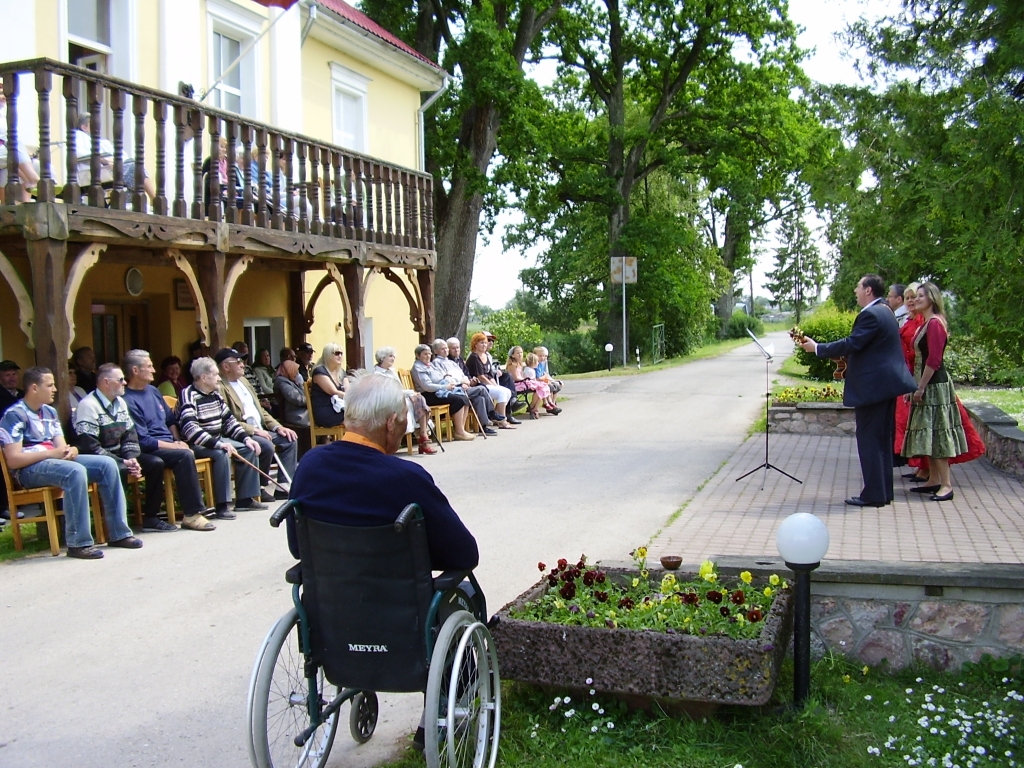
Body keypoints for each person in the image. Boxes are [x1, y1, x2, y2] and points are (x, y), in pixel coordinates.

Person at [289, 372, 478, 567]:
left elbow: (298, 546)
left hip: (326, 594)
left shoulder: (309, 465)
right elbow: (464, 554)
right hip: (400, 595)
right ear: (390, 423)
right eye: (405, 418)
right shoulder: (406, 477)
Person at [800, 274, 917, 507]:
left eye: (858, 287)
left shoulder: (871, 314)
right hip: (886, 386)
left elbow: (853, 343)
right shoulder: (886, 311)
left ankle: (873, 495)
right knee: (882, 441)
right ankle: (883, 493)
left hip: (873, 388)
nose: (855, 290)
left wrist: (817, 348)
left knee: (870, 441)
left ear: (868, 290)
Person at [0, 366, 141, 559]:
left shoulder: (49, 412)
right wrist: (52, 454)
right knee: (74, 472)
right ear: (34, 388)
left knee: (106, 465)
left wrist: (71, 449)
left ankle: (119, 533)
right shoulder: (14, 415)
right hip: (28, 470)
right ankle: (78, 542)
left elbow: (61, 447)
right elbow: (14, 459)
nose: (55, 389)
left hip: (56, 463)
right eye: (50, 385)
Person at [122, 349, 215, 532]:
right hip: (148, 448)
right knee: (183, 456)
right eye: (149, 366)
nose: (154, 370)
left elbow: (170, 420)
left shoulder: (154, 391)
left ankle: (196, 509)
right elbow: (143, 440)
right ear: (135, 370)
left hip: (167, 444)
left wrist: (178, 439)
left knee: (185, 451)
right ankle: (192, 514)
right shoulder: (127, 399)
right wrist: (175, 446)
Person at [901, 283, 971, 502]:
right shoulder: (927, 322)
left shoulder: (934, 324)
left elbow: (934, 360)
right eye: (916, 295)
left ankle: (946, 484)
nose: (917, 298)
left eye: (921, 295)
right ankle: (933, 480)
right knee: (929, 432)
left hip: (935, 386)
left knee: (938, 432)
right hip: (926, 382)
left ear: (932, 298)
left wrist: (920, 387)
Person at [177, 356, 263, 516]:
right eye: (215, 374)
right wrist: (218, 444)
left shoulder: (215, 395)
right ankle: (222, 505)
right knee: (222, 453)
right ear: (203, 377)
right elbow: (190, 430)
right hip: (198, 444)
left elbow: (229, 422)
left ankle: (245, 499)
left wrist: (246, 438)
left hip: (218, 438)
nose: (218, 378)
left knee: (248, 449)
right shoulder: (187, 395)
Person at [216, 348, 298, 502]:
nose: (243, 364)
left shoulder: (244, 382)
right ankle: (260, 487)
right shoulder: (221, 387)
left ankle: (283, 487)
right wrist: (253, 430)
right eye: (238, 361)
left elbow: (260, 411)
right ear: (226, 367)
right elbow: (226, 420)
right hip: (240, 432)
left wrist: (277, 426)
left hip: (260, 429)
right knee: (266, 445)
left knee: (289, 438)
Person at [373, 346, 436, 454]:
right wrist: (409, 393)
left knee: (419, 399)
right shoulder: (377, 374)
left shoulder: (392, 371)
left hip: (400, 397)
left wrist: (409, 393)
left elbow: (399, 389)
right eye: (390, 356)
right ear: (382, 358)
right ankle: (423, 438)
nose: (393, 359)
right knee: (417, 401)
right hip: (388, 401)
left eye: (393, 356)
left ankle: (423, 436)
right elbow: (388, 392)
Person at [430, 339, 498, 435]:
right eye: (442, 349)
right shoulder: (436, 363)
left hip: (463, 386)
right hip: (453, 389)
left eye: (446, 348)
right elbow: (445, 379)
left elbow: (463, 375)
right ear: (436, 351)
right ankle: (491, 413)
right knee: (482, 389)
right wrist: (461, 382)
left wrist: (466, 381)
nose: (445, 351)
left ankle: (483, 426)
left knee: (480, 398)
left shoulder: (452, 362)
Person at [410, 344, 476, 441]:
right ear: (417, 355)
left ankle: (460, 430)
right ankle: (459, 431)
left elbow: (439, 376)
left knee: (464, 398)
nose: (428, 356)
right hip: (428, 395)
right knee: (458, 400)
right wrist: (445, 386)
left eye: (429, 354)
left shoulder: (429, 365)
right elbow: (427, 386)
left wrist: (445, 377)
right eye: (425, 354)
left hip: (438, 391)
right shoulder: (418, 368)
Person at [464, 332, 517, 425]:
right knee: (502, 392)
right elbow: (481, 376)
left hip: (488, 382)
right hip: (479, 385)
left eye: (485, 342)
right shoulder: (474, 357)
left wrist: (495, 385)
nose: (485, 345)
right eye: (481, 343)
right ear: (475, 344)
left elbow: (490, 374)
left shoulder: (486, 356)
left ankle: (497, 417)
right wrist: (494, 386)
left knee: (507, 392)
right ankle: (503, 421)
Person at [0, 91, 41, 202]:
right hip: (4, 150)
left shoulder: (3, 115)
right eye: (0, 94)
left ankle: (28, 187)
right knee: (15, 147)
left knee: (25, 159)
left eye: (4, 93)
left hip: (4, 152)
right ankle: (34, 180)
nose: (4, 97)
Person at [506, 346, 552, 419]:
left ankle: (534, 407)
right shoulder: (512, 365)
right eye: (518, 353)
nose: (520, 354)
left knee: (543, 387)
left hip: (523, 382)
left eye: (521, 352)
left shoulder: (519, 364)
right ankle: (533, 407)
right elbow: (516, 378)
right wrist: (526, 379)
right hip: (517, 384)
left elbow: (522, 375)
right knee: (540, 386)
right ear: (512, 355)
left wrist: (526, 379)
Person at [309, 343, 349, 428]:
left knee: (362, 416)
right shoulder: (319, 371)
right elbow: (333, 391)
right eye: (337, 353)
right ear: (328, 355)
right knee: (358, 419)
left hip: (340, 408)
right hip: (326, 411)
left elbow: (348, 389)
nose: (340, 356)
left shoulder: (341, 372)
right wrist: (353, 398)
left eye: (341, 353)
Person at [274, 359, 309, 429]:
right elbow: (296, 398)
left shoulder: (291, 380)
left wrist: (301, 384)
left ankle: (324, 439)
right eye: (295, 371)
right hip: (296, 414)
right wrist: (310, 400)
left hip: (302, 411)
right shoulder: (282, 382)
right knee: (320, 416)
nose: (297, 373)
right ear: (288, 370)